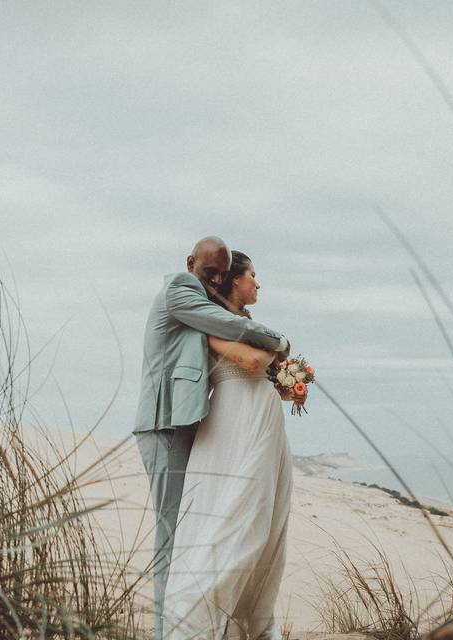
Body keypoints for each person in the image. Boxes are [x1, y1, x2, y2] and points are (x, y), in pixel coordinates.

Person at [134, 237, 290, 640]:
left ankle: (186, 626)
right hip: (163, 423)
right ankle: (170, 631)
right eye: (212, 271)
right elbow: (232, 328)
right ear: (190, 263)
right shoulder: (180, 290)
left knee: (191, 528)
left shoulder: (202, 304)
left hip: (190, 422)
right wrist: (279, 342)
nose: (217, 278)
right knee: (174, 533)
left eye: (222, 272)